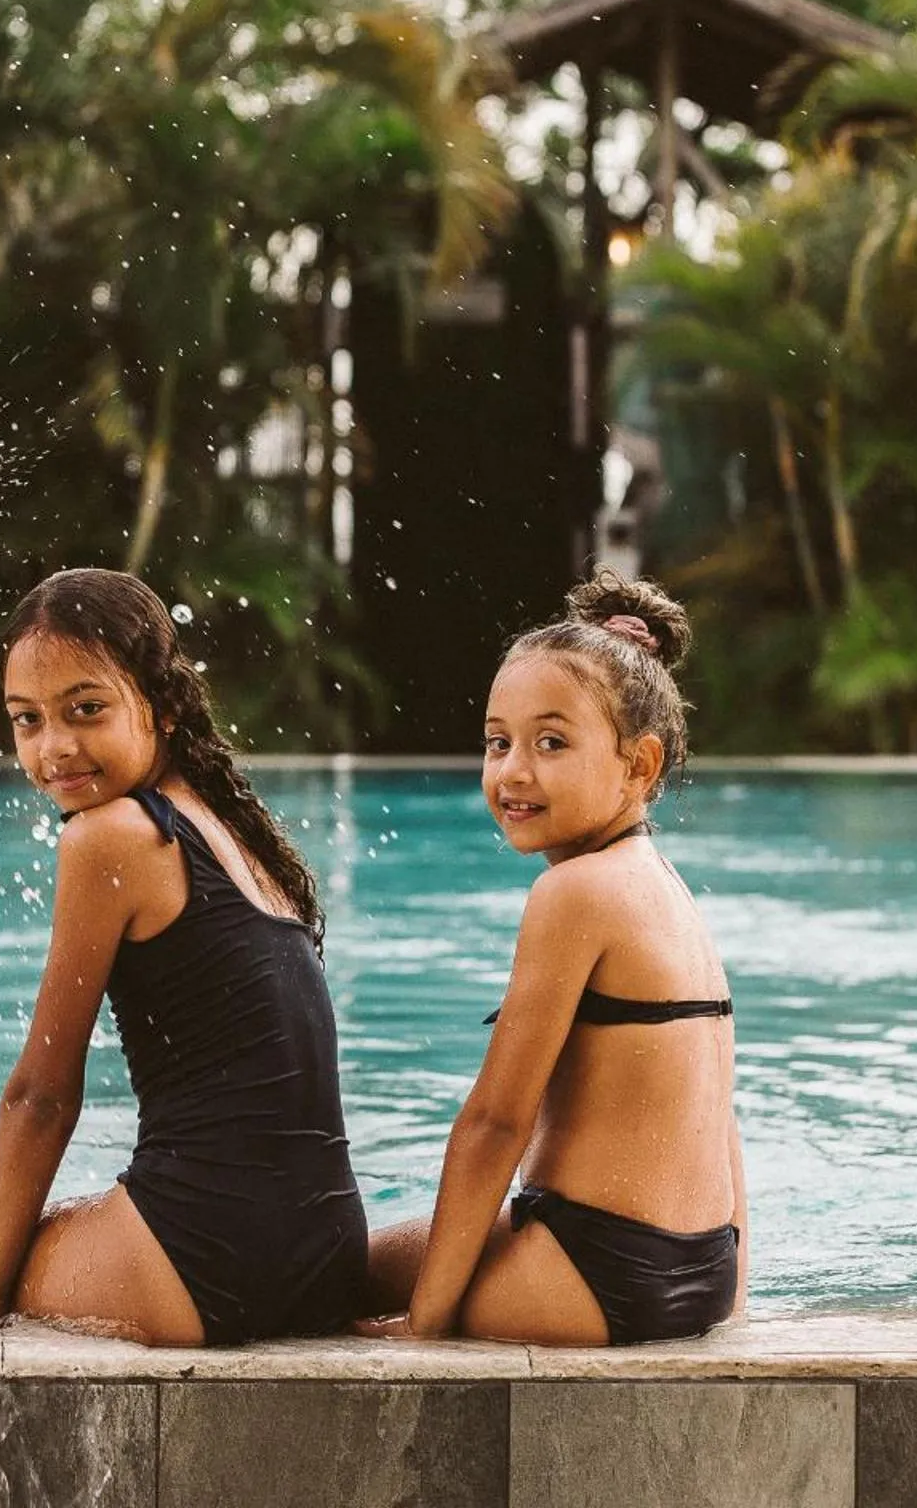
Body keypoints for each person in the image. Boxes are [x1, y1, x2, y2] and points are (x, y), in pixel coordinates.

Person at [0, 569, 366, 1346]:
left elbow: (41, 1098)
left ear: (164, 706)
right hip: (326, 1250)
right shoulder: (224, 826)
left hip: (213, 1258)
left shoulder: (109, 837)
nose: (55, 748)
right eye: (27, 720)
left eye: (87, 710)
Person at [360, 571, 745, 1346]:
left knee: (323, 1273)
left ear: (639, 765)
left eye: (551, 742)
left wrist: (425, 1327)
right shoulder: (665, 889)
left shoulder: (576, 893)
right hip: (701, 1269)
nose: (513, 772)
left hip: (603, 1274)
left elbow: (496, 1122)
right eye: (498, 742)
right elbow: (721, 1122)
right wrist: (731, 1292)